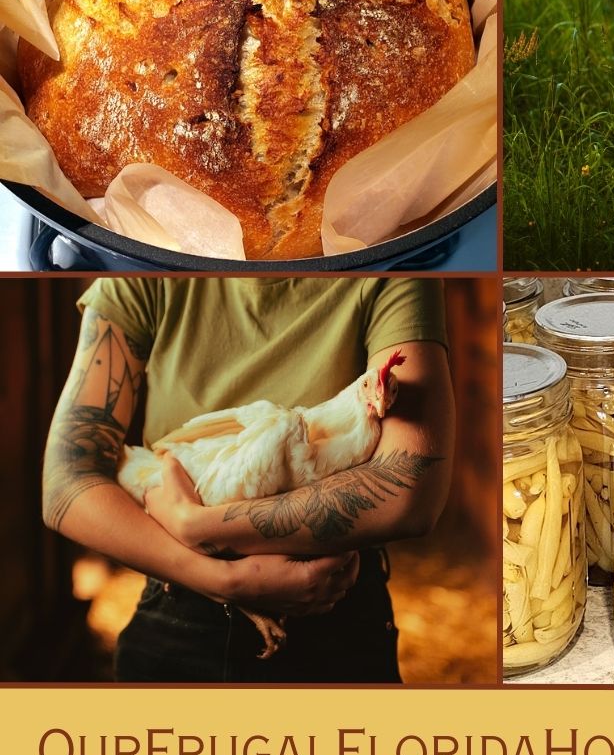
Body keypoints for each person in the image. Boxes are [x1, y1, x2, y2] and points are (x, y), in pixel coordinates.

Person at [41, 276, 455, 684]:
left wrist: (196, 526)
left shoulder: (398, 270)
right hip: (182, 601)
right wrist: (224, 580)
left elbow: (408, 493)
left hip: (336, 599)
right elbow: (66, 484)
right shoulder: (139, 274)